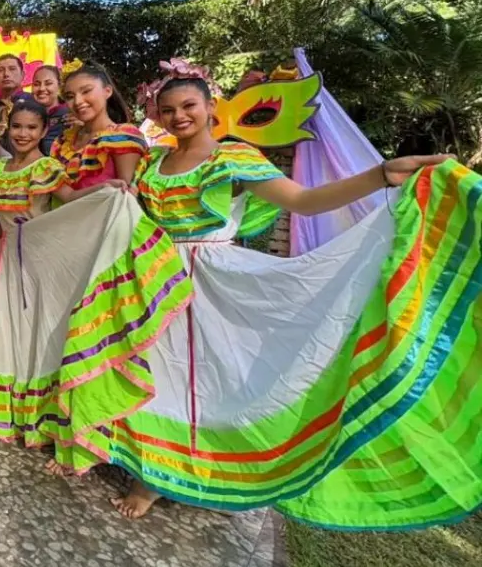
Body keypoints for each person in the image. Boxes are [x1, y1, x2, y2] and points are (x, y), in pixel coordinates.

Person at [97, 73, 481, 529]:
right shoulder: (151, 163)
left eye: (188, 106)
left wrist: (381, 174)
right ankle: (154, 471)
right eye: (168, 110)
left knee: (214, 379)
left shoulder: (232, 155)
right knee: (159, 373)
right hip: (155, 277)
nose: (178, 116)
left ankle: (202, 474)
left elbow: (305, 201)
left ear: (210, 109)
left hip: (214, 280)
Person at [0, 101, 183, 457]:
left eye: (31, 128)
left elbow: (69, 199)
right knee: (8, 333)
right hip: (5, 259)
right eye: (18, 127)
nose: (23, 134)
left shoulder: (48, 167)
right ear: (9, 129)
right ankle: (10, 412)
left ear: (42, 132)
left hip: (40, 257)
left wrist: (106, 191)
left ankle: (43, 419)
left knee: (39, 333)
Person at [53, 62, 147, 189]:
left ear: (107, 91)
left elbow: (127, 196)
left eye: (86, 91)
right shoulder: (63, 142)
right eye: (70, 96)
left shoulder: (122, 137)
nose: (77, 101)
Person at [0, 54, 35, 148]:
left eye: (12, 69)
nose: (6, 74)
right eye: (0, 70)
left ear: (23, 75)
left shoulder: (35, 103)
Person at [31, 64, 72, 155]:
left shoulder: (71, 115)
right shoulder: (26, 116)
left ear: (59, 86)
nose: (41, 88)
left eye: (48, 83)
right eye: (36, 84)